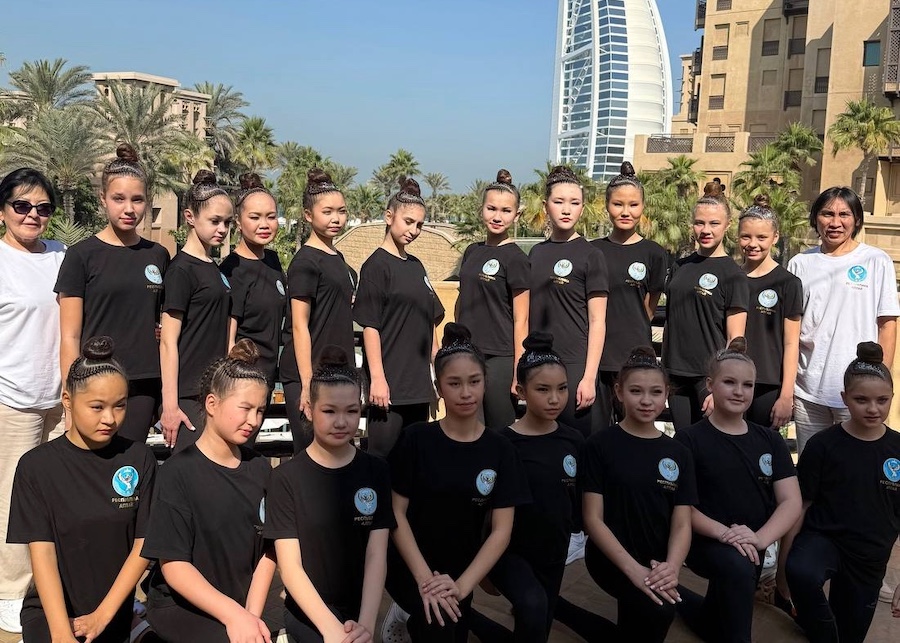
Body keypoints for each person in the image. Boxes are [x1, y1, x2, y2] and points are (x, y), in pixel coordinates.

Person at [382, 323, 530, 642]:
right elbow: (396, 514)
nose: (466, 393)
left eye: (474, 381)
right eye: (454, 383)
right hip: (408, 563)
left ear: (485, 382)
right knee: (439, 624)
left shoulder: (501, 449)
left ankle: (418, 616)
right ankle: (408, 610)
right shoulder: (416, 439)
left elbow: (501, 531)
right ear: (439, 387)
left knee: (449, 622)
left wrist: (462, 587)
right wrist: (425, 580)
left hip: (461, 569)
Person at [7, 337, 157, 643]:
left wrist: (103, 616)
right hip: (51, 611)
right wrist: (61, 633)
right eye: (97, 407)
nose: (110, 419)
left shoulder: (139, 458)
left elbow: (144, 544)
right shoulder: (36, 466)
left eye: (120, 405)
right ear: (68, 400)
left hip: (112, 611)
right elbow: (42, 552)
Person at [142, 340, 275, 643]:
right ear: (212, 404)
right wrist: (234, 616)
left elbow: (269, 551)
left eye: (260, 410)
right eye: (245, 408)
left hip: (240, 608)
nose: (254, 421)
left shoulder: (261, 469)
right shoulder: (177, 472)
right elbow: (174, 565)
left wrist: (250, 617)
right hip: (183, 606)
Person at [674, 338, 802, 643]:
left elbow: (791, 501)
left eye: (747, 385)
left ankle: (686, 603)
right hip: (706, 541)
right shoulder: (689, 440)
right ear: (710, 384)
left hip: (753, 542)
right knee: (739, 568)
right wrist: (725, 534)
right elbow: (683, 507)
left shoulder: (770, 441)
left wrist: (759, 538)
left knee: (715, 621)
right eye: (729, 382)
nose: (739, 391)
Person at [266, 346, 394, 643]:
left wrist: (366, 625)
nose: (341, 422)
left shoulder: (376, 470)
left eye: (351, 411)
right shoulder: (285, 478)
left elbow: (376, 554)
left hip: (360, 609)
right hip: (308, 611)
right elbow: (290, 568)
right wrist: (331, 631)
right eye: (329, 411)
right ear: (309, 409)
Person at [468, 331, 583, 642]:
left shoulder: (574, 440)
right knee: (532, 606)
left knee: (536, 626)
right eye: (543, 389)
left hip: (554, 553)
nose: (555, 398)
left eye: (562, 388)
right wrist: (483, 571)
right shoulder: (501, 444)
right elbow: (480, 510)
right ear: (521, 391)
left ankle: (468, 619)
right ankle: (465, 617)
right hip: (509, 552)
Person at [783, 342, 900, 642]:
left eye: (882, 400)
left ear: (892, 397)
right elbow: (800, 506)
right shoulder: (823, 445)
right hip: (824, 540)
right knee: (801, 572)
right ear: (845, 398)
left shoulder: (897, 449)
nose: (873, 408)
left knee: (850, 633)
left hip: (870, 556)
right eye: (861, 399)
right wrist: (783, 572)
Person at [56, 143, 170, 443]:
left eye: (137, 199)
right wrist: (72, 397)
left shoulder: (158, 255)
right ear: (102, 199)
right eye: (119, 198)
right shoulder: (81, 256)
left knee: (128, 465)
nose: (129, 209)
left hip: (143, 384)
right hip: (94, 381)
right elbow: (69, 336)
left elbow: (162, 320)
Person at [581, 345, 696, 642]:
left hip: (658, 559)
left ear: (666, 394)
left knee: (649, 614)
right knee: (659, 610)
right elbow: (592, 519)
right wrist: (633, 570)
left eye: (655, 392)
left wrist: (672, 568)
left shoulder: (679, 452)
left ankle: (559, 608)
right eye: (636, 391)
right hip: (610, 558)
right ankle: (560, 609)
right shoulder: (599, 445)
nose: (646, 401)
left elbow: (682, 522)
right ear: (619, 392)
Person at [0, 168, 66, 635]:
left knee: (57, 495)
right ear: (3, 210)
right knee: (11, 498)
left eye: (42, 207)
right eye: (22, 205)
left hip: (61, 399)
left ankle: (51, 583)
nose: (32, 215)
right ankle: (10, 590)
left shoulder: (62, 255)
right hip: (12, 398)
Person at [787, 186, 900, 454]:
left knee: (858, 465)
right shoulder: (799, 264)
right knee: (812, 464)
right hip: (808, 391)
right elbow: (791, 330)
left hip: (859, 392)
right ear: (815, 218)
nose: (835, 222)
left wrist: (878, 379)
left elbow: (887, 325)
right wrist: (788, 387)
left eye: (844, 215)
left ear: (857, 220)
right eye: (827, 214)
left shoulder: (876, 260)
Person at [354, 177, 445, 458]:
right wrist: (378, 380)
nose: (413, 230)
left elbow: (430, 326)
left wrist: (439, 376)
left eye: (419, 225)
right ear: (389, 216)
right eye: (408, 222)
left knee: (414, 462)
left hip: (419, 387)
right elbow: (370, 327)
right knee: (382, 461)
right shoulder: (375, 266)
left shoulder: (417, 266)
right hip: (390, 388)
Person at [529, 165, 608, 437]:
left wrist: (589, 377)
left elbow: (598, 320)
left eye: (574, 203)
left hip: (575, 365)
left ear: (582, 209)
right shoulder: (535, 254)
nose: (566, 209)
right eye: (559, 201)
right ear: (545, 206)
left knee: (574, 444)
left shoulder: (592, 255)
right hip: (537, 360)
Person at [663, 182, 749, 430]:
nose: (706, 230)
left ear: (727, 225)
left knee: (711, 443)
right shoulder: (680, 266)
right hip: (674, 373)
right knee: (683, 440)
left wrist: (722, 383)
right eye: (699, 223)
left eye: (714, 223)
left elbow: (735, 338)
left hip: (709, 378)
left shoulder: (733, 274)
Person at [280, 169, 355, 453]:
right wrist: (307, 383)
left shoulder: (338, 258)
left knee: (339, 454)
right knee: (310, 455)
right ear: (308, 215)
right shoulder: (305, 262)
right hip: (309, 373)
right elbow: (299, 325)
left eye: (341, 211)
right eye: (328, 212)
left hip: (338, 371)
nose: (336, 218)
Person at [159, 170, 233, 452]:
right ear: (190, 217)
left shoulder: (214, 268)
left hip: (215, 388)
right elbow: (168, 341)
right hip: (188, 393)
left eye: (227, 222)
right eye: (215, 221)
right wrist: (170, 405)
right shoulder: (181, 270)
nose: (222, 229)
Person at [591, 162, 669, 428]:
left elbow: (649, 307)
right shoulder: (593, 251)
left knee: (635, 430)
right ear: (607, 206)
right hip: (596, 357)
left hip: (636, 357)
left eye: (633, 205)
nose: (625, 212)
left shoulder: (654, 253)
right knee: (597, 433)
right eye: (618, 204)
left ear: (643, 207)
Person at [456, 169, 530, 429]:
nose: (497, 217)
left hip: (500, 358)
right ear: (482, 210)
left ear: (516, 215)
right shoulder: (471, 252)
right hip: (466, 354)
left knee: (499, 431)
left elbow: (522, 319)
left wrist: (518, 369)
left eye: (506, 211)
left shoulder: (517, 259)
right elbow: (462, 300)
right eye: (492, 208)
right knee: (468, 428)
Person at [737, 194, 803, 428]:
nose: (752, 244)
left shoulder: (788, 283)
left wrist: (786, 395)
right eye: (746, 236)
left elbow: (791, 342)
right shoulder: (732, 277)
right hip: (731, 379)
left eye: (761, 237)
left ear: (775, 237)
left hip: (768, 383)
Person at [220, 172, 286, 393]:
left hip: (269, 373)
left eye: (271, 217)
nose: (264, 224)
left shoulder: (273, 261)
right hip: (243, 377)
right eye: (255, 217)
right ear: (238, 222)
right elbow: (229, 338)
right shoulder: (232, 269)